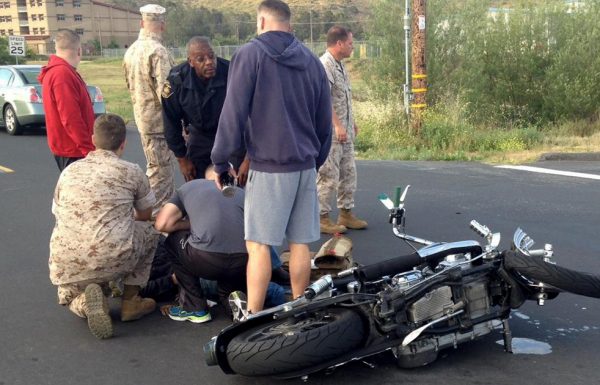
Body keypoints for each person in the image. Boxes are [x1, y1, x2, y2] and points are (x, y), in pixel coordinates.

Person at [211, 0, 332, 318]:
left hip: (269, 166)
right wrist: (314, 161)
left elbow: (233, 113)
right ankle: (301, 310)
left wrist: (221, 160)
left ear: (261, 21)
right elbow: (324, 123)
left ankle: (252, 315)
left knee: (259, 245)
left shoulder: (249, 55)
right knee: (301, 244)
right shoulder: (311, 60)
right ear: (288, 24)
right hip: (305, 164)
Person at [49, 114, 160, 339]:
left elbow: (57, 213)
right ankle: (131, 301)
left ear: (92, 139)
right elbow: (146, 215)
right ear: (123, 144)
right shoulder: (131, 171)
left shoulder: (69, 172)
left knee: (68, 293)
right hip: (115, 254)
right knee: (150, 232)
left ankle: (85, 303)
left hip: (67, 259)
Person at [153, 166, 249, 323]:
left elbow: (162, 224)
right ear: (233, 177)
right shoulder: (242, 194)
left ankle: (194, 308)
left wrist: (191, 224)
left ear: (206, 178)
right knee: (229, 281)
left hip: (205, 260)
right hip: (242, 260)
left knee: (173, 240)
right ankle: (233, 302)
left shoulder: (191, 187)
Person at [162, 36, 247, 183]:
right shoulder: (177, 81)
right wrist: (182, 159)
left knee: (233, 184)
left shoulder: (232, 72)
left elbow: (250, 116)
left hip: (230, 135)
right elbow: (171, 122)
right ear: (191, 62)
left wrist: (248, 159)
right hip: (199, 134)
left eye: (211, 56)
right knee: (196, 183)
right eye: (201, 59)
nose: (209, 62)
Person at [123, 4, 175, 216]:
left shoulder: (131, 51)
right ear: (162, 25)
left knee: (154, 167)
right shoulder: (158, 52)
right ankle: (157, 221)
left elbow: (129, 85)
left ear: (142, 23)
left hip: (142, 119)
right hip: (159, 123)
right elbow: (167, 93)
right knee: (161, 175)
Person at [317, 26, 368, 234]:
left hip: (344, 131)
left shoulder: (340, 65)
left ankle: (346, 213)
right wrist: (337, 125)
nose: (352, 47)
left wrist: (350, 123)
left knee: (348, 173)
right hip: (332, 133)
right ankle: (322, 218)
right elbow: (324, 99)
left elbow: (344, 98)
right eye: (349, 43)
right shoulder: (325, 65)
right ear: (339, 43)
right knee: (328, 175)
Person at [38, 29, 95, 172]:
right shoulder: (62, 74)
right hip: (74, 150)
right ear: (79, 50)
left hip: (72, 148)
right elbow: (70, 118)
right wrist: (88, 150)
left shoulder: (63, 72)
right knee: (80, 193)